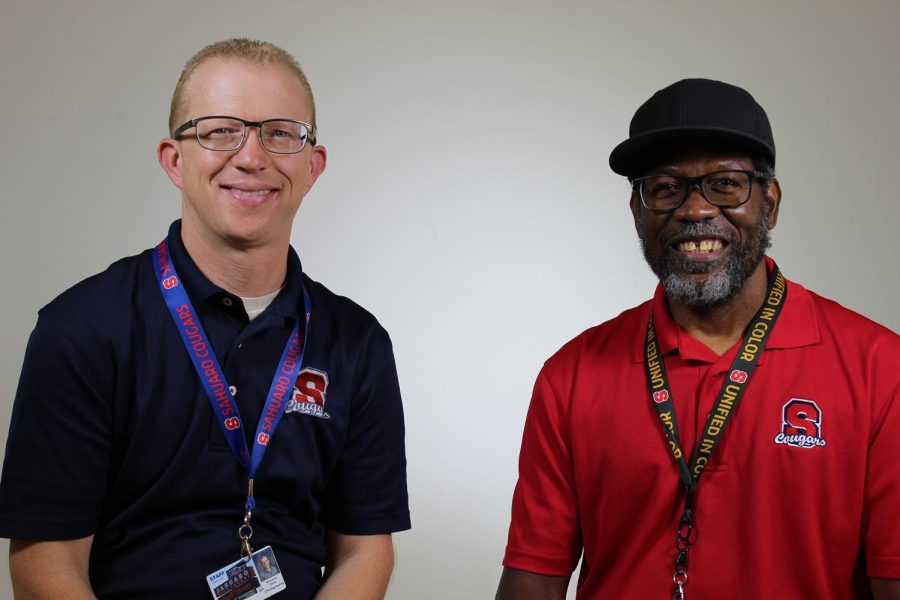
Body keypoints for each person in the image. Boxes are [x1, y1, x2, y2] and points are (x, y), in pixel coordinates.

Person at [0, 38, 410, 599]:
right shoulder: (80, 330)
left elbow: (365, 550)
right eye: (220, 130)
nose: (251, 157)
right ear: (174, 159)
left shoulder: (357, 343)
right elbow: (44, 560)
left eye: (280, 133)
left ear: (313, 166)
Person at [496, 79, 900, 599]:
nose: (694, 210)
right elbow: (534, 581)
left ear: (770, 203)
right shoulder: (571, 375)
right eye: (665, 187)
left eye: (726, 183)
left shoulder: (880, 368)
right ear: (637, 211)